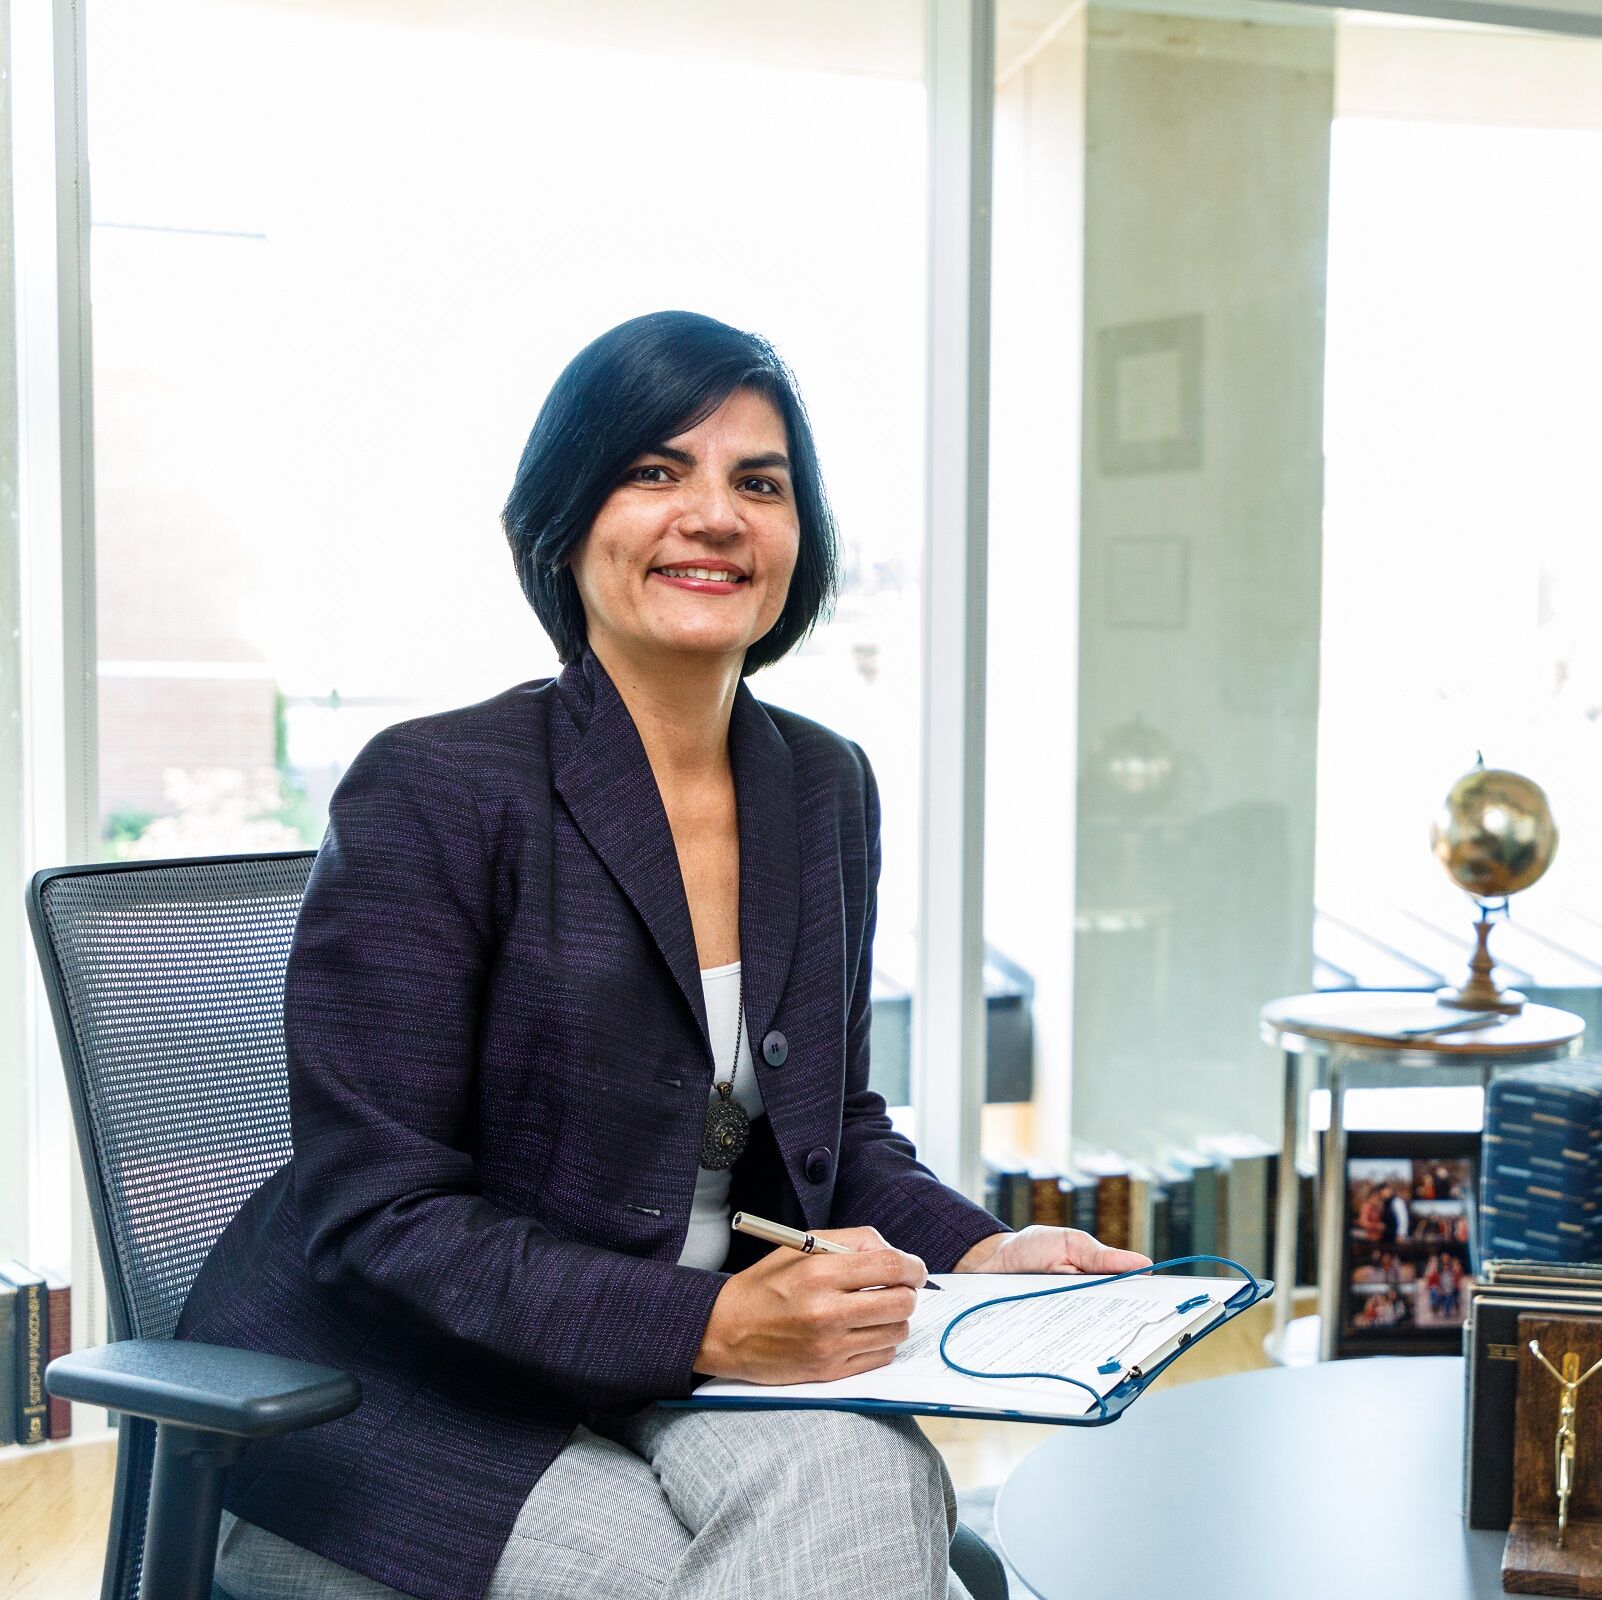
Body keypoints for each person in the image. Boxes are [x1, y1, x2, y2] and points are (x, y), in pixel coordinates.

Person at [176, 311, 1148, 1600]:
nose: (716, 516)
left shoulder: (823, 787)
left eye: (760, 483)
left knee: (876, 1489)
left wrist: (986, 1255)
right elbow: (380, 1212)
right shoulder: (437, 786)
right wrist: (707, 1321)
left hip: (695, 1356)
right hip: (408, 1388)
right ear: (567, 520)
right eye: (655, 472)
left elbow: (834, 1129)